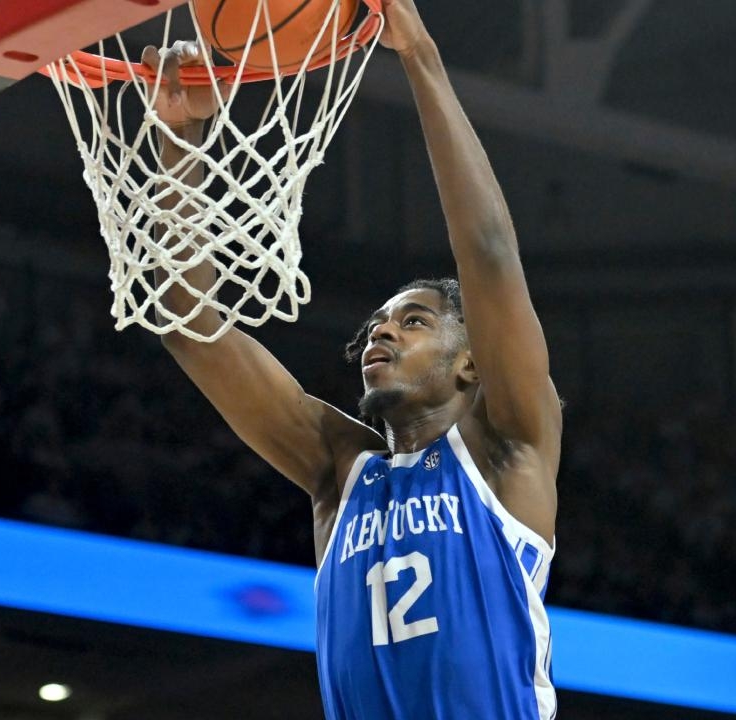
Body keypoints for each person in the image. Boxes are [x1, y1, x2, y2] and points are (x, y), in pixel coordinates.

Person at [144, 0, 561, 717]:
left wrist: (421, 57)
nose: (381, 333)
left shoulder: (507, 449)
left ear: (470, 364)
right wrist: (180, 145)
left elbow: (488, 252)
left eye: (414, 320)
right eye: (376, 323)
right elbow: (190, 326)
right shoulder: (341, 469)